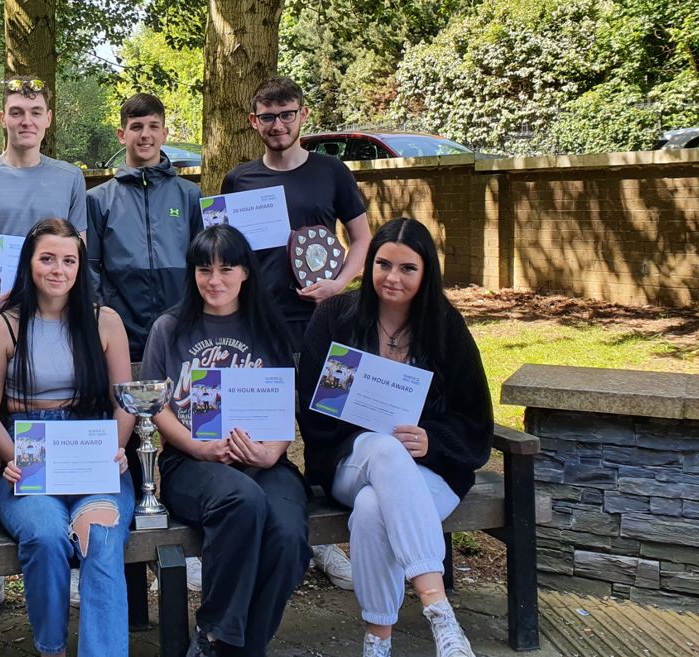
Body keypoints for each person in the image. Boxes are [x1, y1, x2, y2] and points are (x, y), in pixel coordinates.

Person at [297, 217, 493, 657]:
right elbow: (312, 406)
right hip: (350, 462)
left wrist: (433, 441)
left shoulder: (444, 327)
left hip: (430, 472)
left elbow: (475, 416)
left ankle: (377, 642)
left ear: (426, 274)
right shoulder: (337, 317)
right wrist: (359, 415)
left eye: (408, 268)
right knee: (382, 448)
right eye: (383, 264)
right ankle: (439, 612)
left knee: (372, 509)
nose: (392, 277)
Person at [0, 75, 90, 621]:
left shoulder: (70, 177)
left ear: (48, 119)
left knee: (68, 425)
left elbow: (77, 251)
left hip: (59, 323)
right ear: (3, 118)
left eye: (35, 110)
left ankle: (71, 560)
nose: (26, 119)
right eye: (16, 110)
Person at [221, 75, 369, 588]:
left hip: (327, 323)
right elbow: (226, 252)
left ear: (303, 117)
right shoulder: (238, 180)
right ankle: (241, 529)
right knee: (250, 425)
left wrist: (340, 283)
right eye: (268, 116)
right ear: (253, 122)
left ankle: (327, 542)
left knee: (325, 426)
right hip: (259, 326)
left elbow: (363, 238)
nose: (278, 125)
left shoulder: (332, 172)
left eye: (287, 114)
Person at [141, 224, 310, 657]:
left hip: (264, 461)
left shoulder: (268, 327)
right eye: (204, 269)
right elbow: (156, 405)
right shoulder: (170, 328)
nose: (214, 280)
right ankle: (216, 633)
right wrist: (198, 447)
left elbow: (282, 403)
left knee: (288, 536)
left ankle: (238, 647)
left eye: (226, 268)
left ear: (246, 273)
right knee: (242, 501)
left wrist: (271, 452)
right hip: (192, 464)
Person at [0, 218, 135, 657]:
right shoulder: (4, 327)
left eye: (69, 260)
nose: (58, 270)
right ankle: (52, 648)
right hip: (28, 455)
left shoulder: (104, 322)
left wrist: (116, 450)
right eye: (47, 258)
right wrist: (16, 458)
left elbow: (125, 402)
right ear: (28, 263)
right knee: (46, 535)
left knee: (101, 535)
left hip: (93, 452)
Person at [87, 92, 202, 361]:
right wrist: (102, 313)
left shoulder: (191, 196)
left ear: (164, 133)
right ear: (121, 134)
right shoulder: (98, 199)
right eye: (136, 127)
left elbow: (204, 261)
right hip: (121, 327)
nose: (145, 135)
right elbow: (89, 265)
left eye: (153, 127)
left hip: (181, 322)